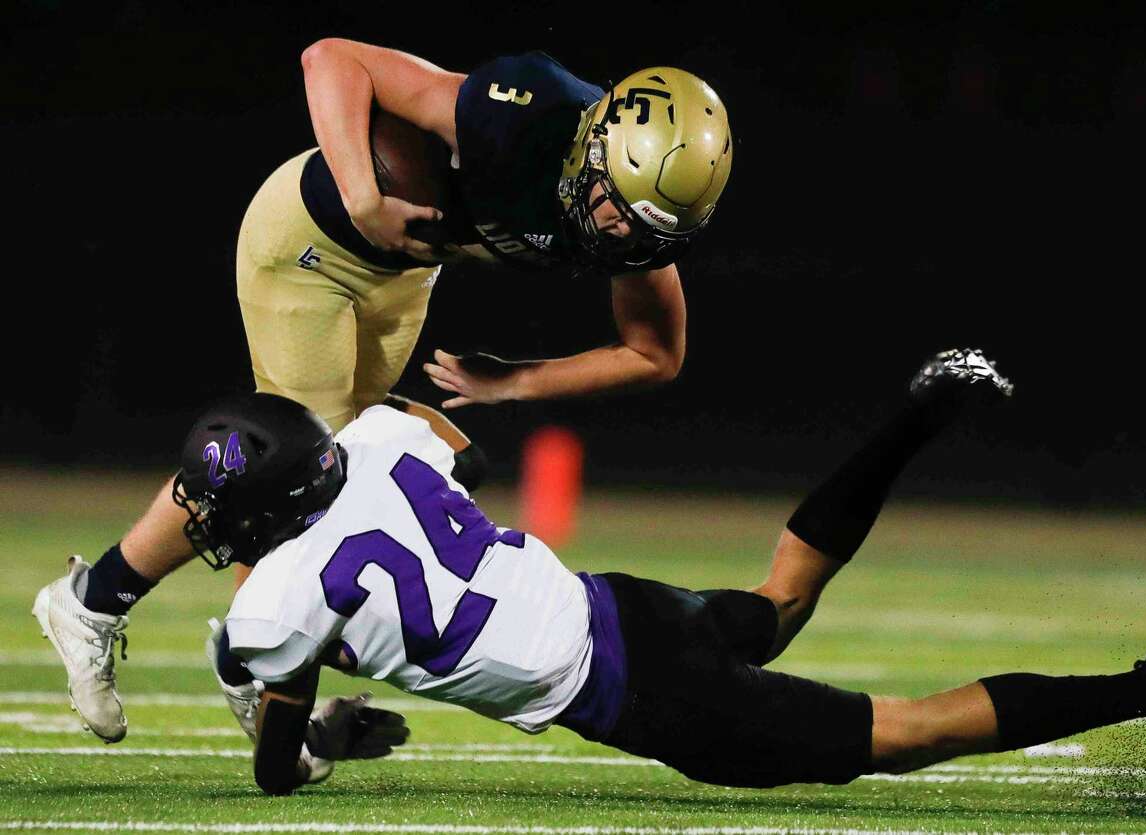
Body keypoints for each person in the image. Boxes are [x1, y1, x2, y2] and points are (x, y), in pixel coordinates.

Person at [32, 42, 733, 743]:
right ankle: (134, 620)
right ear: (594, 145)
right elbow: (331, 59)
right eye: (614, 206)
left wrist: (517, 380)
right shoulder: (523, 113)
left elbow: (655, 353)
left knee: (403, 470)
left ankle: (228, 655)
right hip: (310, 248)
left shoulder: (640, 220)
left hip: (402, 280)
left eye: (643, 228)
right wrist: (364, 198)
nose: (617, 233)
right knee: (297, 473)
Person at [134, 350, 1146, 792]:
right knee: (780, 599)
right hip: (626, 605)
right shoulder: (376, 439)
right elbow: (447, 433)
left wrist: (328, 737)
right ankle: (917, 413)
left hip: (639, 697)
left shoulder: (276, 600)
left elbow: (279, 770)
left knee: (904, 731)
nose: (207, 523)